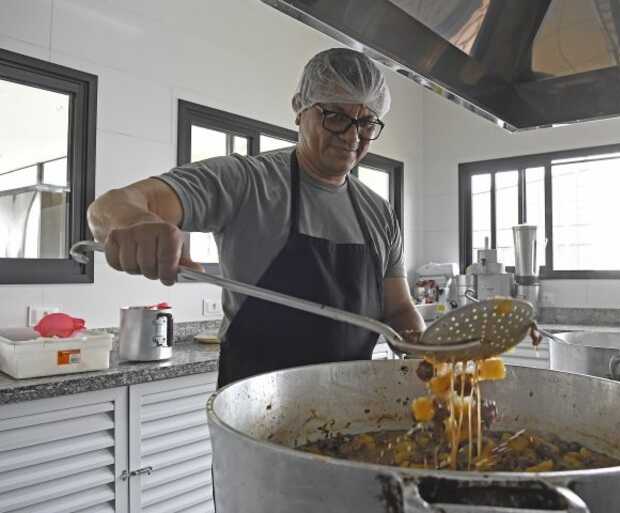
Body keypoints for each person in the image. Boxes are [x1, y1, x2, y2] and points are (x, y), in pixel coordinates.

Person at [88, 48, 425, 387]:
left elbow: (398, 311)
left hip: (356, 413)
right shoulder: (246, 182)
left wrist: (429, 357)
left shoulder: (379, 213)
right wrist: (133, 223)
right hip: (255, 415)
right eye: (336, 116)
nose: (353, 136)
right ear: (300, 110)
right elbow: (111, 206)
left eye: (366, 123)